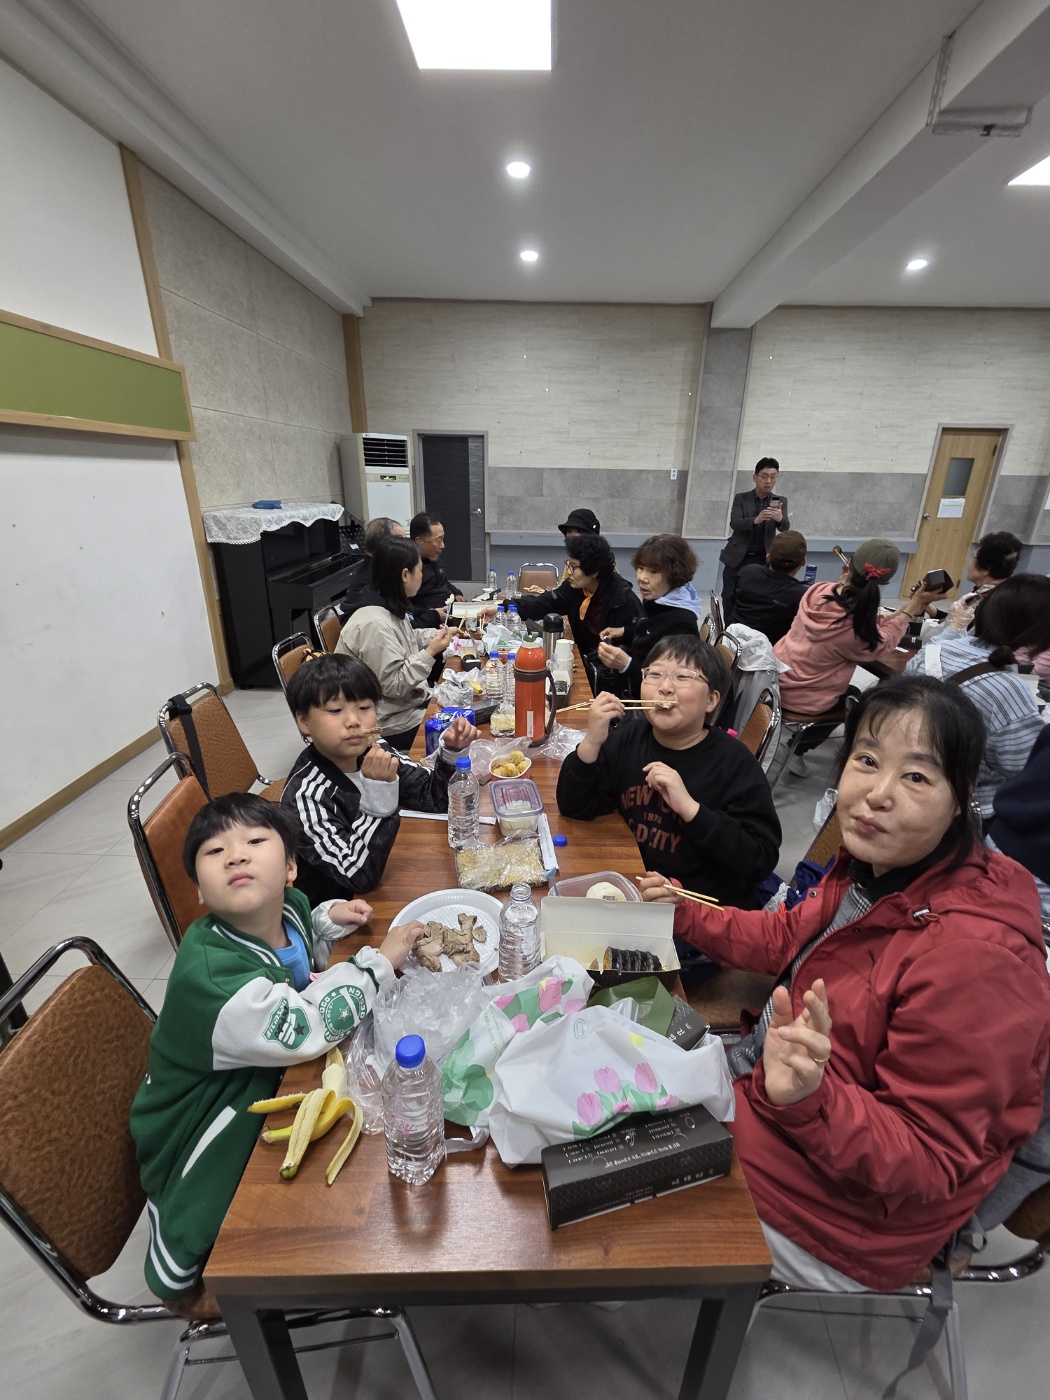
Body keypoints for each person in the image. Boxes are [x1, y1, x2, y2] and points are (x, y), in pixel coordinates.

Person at [638, 675, 1050, 1292]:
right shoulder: (881, 868)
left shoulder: (979, 962)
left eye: (917, 776)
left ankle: (619, 1278)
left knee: (607, 1162)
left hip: (840, 1212)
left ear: (962, 797)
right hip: (771, 1103)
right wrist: (683, 912)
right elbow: (786, 936)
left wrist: (811, 1098)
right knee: (602, 1036)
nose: (877, 794)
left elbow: (930, 1160)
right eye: (867, 760)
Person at [130, 793, 424, 1318]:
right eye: (214, 851)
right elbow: (309, 1025)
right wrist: (378, 963)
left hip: (259, 1068)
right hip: (203, 1110)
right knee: (213, 1189)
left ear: (290, 868)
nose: (236, 856)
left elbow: (300, 940)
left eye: (254, 841)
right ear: (198, 890)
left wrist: (331, 918)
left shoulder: (285, 908)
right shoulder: (212, 978)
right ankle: (181, 1287)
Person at [557, 636, 781, 911]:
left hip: (698, 911)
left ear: (711, 700)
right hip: (634, 892)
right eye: (654, 674)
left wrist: (690, 809)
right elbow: (574, 807)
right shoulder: (628, 739)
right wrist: (592, 741)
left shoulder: (735, 764)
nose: (664, 687)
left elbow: (760, 858)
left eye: (683, 677)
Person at [282, 653, 477, 904]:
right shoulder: (306, 796)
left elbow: (433, 798)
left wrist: (451, 752)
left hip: (388, 879)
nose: (353, 721)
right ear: (303, 721)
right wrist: (379, 795)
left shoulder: (374, 747)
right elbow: (360, 876)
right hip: (337, 913)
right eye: (335, 710)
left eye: (364, 707)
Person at [774, 538, 947, 774]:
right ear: (884, 581)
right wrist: (913, 606)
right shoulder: (856, 631)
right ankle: (795, 751)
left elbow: (866, 624)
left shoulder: (817, 591)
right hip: (803, 695)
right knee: (855, 699)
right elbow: (882, 642)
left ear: (850, 563)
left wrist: (908, 607)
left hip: (776, 678)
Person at [905, 573, 1050, 820]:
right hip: (964, 812)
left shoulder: (935, 650)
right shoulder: (1008, 689)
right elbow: (1028, 769)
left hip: (910, 782)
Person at [335, 535, 456, 749]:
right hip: (385, 723)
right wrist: (430, 652)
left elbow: (407, 637)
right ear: (405, 575)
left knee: (462, 709)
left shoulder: (387, 605)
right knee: (459, 732)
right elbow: (394, 684)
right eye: (420, 570)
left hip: (403, 706)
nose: (422, 575)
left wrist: (437, 636)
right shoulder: (373, 623)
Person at [515, 533, 642, 682]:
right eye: (567, 564)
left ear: (594, 570)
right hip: (584, 668)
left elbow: (639, 649)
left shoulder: (622, 600)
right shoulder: (574, 589)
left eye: (573, 566)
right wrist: (506, 607)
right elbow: (543, 603)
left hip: (611, 681)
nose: (569, 571)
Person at [596, 533, 704, 698]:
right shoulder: (659, 599)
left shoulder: (681, 622)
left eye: (653, 571)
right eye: (640, 568)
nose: (642, 578)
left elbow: (671, 685)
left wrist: (626, 664)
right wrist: (624, 631)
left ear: (675, 574)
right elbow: (654, 631)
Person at [719, 458, 790, 622]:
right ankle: (728, 630)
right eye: (764, 476)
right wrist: (756, 520)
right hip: (738, 557)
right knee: (729, 596)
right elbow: (735, 523)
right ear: (755, 477)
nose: (768, 481)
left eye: (773, 476)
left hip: (762, 558)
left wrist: (779, 518)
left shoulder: (780, 501)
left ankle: (751, 630)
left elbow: (785, 527)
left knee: (758, 598)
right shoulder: (741, 498)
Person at [930, 529, 1023, 636]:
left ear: (986, 569)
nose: (969, 564)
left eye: (974, 558)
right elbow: (957, 622)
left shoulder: (989, 602)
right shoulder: (991, 590)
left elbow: (960, 633)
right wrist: (927, 607)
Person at [732, 529, 810, 645]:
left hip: (731, 644)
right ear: (803, 562)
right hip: (771, 653)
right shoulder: (802, 596)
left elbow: (731, 603)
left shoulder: (746, 572)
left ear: (768, 557)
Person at [339, 516, 406, 617]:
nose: (408, 547)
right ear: (387, 546)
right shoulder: (371, 584)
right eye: (402, 542)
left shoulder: (380, 568)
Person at [410, 511, 464, 623]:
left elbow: (443, 581)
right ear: (419, 541)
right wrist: (432, 613)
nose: (443, 545)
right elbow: (409, 609)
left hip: (450, 613)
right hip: (430, 622)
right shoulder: (410, 567)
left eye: (443, 539)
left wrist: (456, 593)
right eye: (438, 540)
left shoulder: (434, 558)